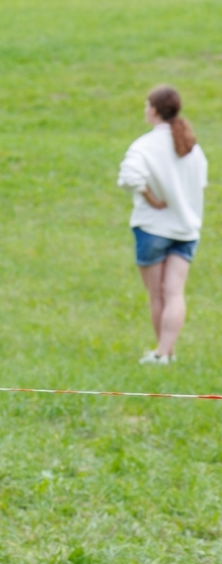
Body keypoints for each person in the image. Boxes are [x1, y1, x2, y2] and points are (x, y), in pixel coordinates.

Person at [118, 84, 207, 364]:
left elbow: (129, 178)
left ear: (154, 110)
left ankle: (161, 352)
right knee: (175, 292)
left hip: (153, 228)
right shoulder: (192, 147)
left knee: (157, 295)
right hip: (186, 228)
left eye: (147, 105)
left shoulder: (144, 146)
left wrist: (150, 197)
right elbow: (200, 184)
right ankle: (167, 352)